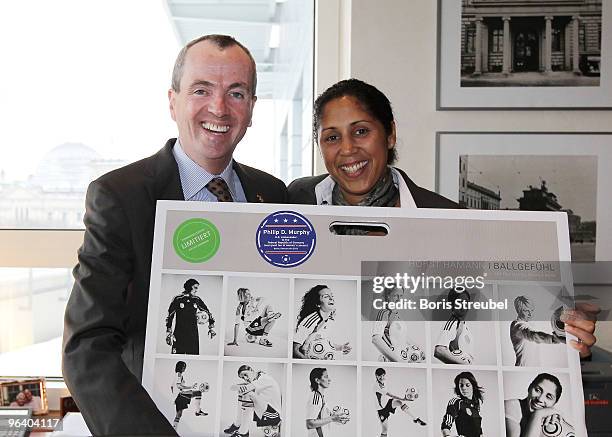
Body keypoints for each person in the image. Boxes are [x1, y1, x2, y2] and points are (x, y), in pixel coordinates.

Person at [62, 34, 287, 435]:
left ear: (251, 109)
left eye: (236, 93)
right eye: (202, 90)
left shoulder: (272, 195)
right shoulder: (121, 196)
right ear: (173, 101)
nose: (219, 107)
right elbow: (87, 346)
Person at [286, 78, 597, 355]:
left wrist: (565, 332)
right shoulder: (295, 203)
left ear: (390, 134)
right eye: (331, 137)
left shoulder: (451, 221)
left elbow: (495, 304)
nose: (348, 149)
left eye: (361, 131)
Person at [505, 373, 575, 437]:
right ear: (530, 388)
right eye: (537, 390)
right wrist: (538, 414)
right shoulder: (510, 405)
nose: (540, 399)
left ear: (554, 403)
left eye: (548, 397)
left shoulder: (551, 422)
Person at [293, 284, 351, 359]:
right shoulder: (311, 321)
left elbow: (323, 343)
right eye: (326, 296)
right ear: (318, 304)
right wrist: (308, 361)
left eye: (332, 296)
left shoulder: (330, 319)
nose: (331, 298)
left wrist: (340, 348)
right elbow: (295, 350)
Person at [224, 365, 282, 437]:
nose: (245, 378)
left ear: (251, 370)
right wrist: (238, 387)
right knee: (243, 392)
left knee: (247, 393)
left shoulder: (264, 379)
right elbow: (232, 387)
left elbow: (241, 388)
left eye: (245, 374)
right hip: (266, 411)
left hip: (273, 415)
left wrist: (239, 387)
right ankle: (238, 424)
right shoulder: (258, 378)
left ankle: (243, 432)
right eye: (242, 377)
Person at [372, 287, 425, 362]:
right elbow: (376, 339)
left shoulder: (397, 315)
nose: (399, 299)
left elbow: (402, 337)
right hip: (389, 360)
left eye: (401, 296)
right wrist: (397, 360)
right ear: (388, 296)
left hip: (401, 359)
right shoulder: (384, 313)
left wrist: (419, 349)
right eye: (396, 295)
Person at [166, 278, 216, 354]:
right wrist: (169, 332)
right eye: (195, 288)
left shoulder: (196, 299)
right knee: (177, 354)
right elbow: (170, 315)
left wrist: (211, 328)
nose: (196, 290)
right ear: (189, 287)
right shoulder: (178, 299)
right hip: (179, 333)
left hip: (193, 334)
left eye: (197, 288)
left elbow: (207, 312)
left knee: (193, 355)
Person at [511, 295, 564, 366]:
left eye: (531, 310)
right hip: (524, 368)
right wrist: (554, 339)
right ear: (519, 310)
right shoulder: (518, 326)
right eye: (526, 310)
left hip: (535, 368)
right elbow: (533, 335)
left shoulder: (528, 324)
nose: (530, 314)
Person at [373, 368, 426, 437]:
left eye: (383, 375)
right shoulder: (376, 386)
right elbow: (390, 394)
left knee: (399, 402)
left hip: (387, 403)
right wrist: (404, 398)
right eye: (379, 376)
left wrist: (401, 399)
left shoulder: (384, 381)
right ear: (376, 376)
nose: (382, 377)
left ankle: (416, 418)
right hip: (381, 409)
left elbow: (388, 393)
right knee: (385, 429)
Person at [434, 289, 475, 365]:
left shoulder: (464, 324)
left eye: (466, 302)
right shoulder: (453, 322)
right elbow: (439, 350)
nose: (463, 305)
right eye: (459, 302)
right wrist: (462, 364)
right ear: (452, 304)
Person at [306, 367, 349, 436]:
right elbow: (310, 424)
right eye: (326, 377)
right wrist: (332, 418)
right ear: (317, 380)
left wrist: (336, 418)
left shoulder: (320, 397)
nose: (329, 380)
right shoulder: (316, 397)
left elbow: (321, 419)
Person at [441, 372, 484, 437]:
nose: (464, 388)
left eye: (467, 385)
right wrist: (447, 435)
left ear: (473, 386)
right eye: (461, 385)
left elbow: (478, 429)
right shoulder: (456, 402)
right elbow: (446, 424)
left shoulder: (476, 403)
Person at [171, 361, 207, 430]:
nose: (184, 368)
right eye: (183, 367)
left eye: (185, 367)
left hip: (179, 396)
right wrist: (190, 387)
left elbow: (172, 387)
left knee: (179, 414)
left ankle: (174, 429)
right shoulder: (179, 375)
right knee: (198, 393)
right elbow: (179, 386)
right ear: (180, 367)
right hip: (180, 395)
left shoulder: (177, 375)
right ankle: (198, 411)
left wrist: (174, 397)